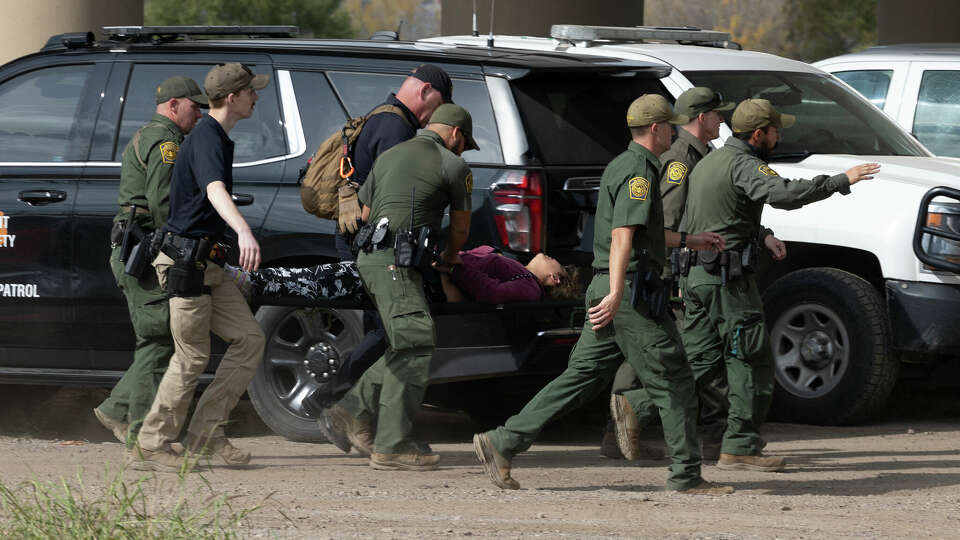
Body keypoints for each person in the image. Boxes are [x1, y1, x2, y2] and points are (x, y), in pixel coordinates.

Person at [472, 94, 732, 494]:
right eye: (672, 126)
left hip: (612, 287)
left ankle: (502, 441)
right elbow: (621, 236)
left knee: (579, 377)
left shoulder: (624, 164)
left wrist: (691, 240)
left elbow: (639, 232)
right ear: (658, 129)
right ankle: (687, 475)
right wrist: (614, 294)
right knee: (676, 379)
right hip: (626, 292)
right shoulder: (642, 172)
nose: (676, 132)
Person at [679, 98, 880, 472]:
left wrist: (761, 235)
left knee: (701, 361)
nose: (779, 135)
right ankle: (739, 446)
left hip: (695, 279)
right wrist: (840, 180)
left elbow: (722, 212)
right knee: (750, 360)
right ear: (758, 134)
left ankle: (688, 429)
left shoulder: (710, 162)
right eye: (775, 130)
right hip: (727, 282)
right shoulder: (745, 164)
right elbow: (784, 194)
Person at [317, 104, 478, 471]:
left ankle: (350, 411)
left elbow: (364, 214)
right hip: (396, 263)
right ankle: (390, 445)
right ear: (455, 134)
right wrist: (450, 258)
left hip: (371, 259)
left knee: (405, 341)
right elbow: (460, 230)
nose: (463, 150)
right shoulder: (453, 166)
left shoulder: (389, 155)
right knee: (417, 342)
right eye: (464, 143)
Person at [131, 63, 269, 472]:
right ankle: (153, 443)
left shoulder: (215, 136)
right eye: (250, 91)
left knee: (249, 340)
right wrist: (243, 231)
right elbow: (214, 189)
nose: (256, 97)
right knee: (191, 356)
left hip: (204, 262)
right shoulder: (208, 136)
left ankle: (205, 435)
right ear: (232, 97)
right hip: (185, 263)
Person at [602, 87, 734, 460]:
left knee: (652, 351)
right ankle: (625, 428)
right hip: (671, 271)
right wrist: (685, 250)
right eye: (716, 114)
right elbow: (663, 223)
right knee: (659, 352)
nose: (721, 120)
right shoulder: (677, 163)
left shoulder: (700, 157)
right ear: (701, 117)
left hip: (678, 268)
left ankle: (624, 431)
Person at [330, 64, 454, 418]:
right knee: (388, 330)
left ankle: (356, 414)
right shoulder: (395, 127)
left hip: (362, 239)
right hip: (367, 242)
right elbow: (394, 198)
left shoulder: (384, 118)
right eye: (438, 105)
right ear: (426, 90)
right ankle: (332, 402)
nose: (435, 117)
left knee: (383, 330)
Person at [93, 76, 207, 448]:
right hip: (143, 251)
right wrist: (179, 246)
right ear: (174, 105)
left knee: (156, 338)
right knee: (159, 338)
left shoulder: (150, 135)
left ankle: (117, 410)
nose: (200, 112)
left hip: (134, 248)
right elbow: (163, 203)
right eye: (194, 106)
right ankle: (139, 430)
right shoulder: (166, 142)